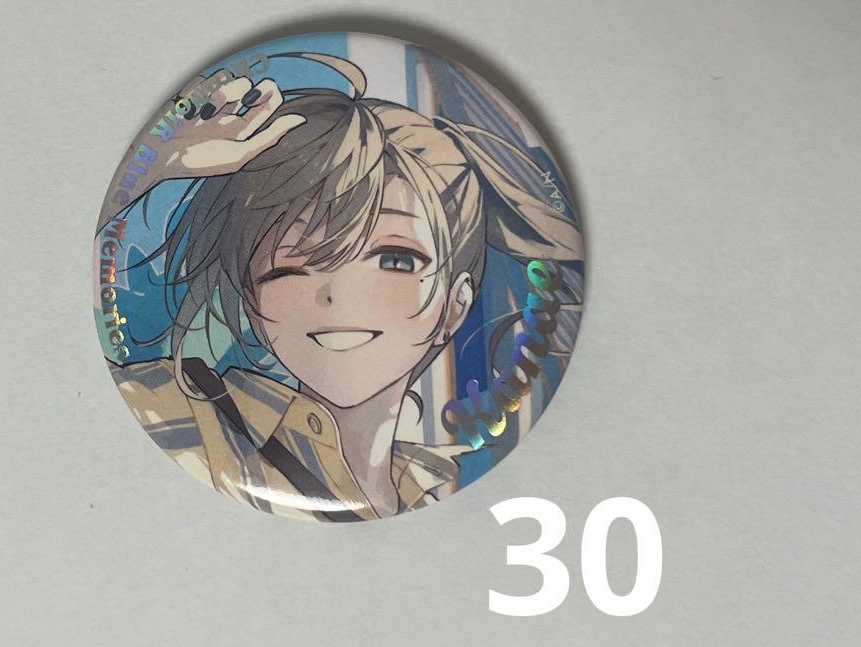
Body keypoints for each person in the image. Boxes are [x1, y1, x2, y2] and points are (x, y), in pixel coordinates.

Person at [95, 53, 582, 521]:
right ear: (253, 301)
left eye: (395, 260)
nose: (337, 294)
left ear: (455, 307)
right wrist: (151, 165)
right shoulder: (191, 416)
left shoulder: (440, 480)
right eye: (289, 266)